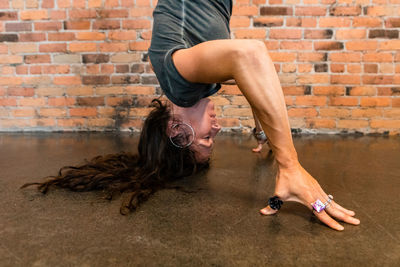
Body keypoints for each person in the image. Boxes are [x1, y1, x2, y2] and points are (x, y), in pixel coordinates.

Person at [22, 0, 360, 231]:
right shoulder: (199, 85)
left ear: (177, 130)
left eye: (206, 137)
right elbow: (248, 78)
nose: (218, 128)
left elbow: (250, 54)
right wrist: (263, 131)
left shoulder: (178, 79)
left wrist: (290, 165)